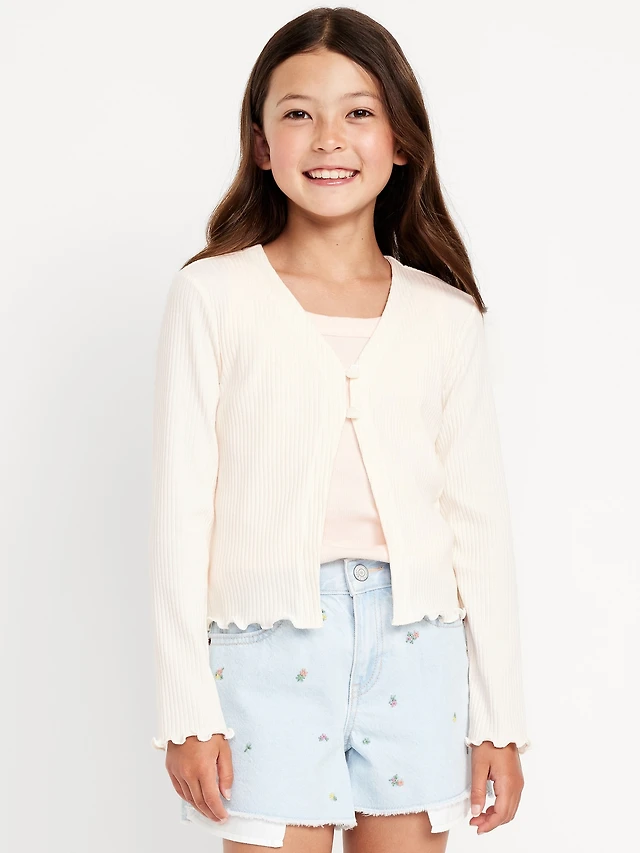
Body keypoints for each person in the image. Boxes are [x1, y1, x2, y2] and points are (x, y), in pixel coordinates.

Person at [148, 7, 531, 852]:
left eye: (359, 111)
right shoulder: (212, 297)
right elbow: (180, 512)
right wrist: (187, 709)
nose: (329, 138)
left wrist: (500, 718)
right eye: (298, 113)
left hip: (419, 647)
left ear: (400, 141)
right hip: (263, 648)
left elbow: (478, 523)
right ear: (261, 144)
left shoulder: (445, 315)